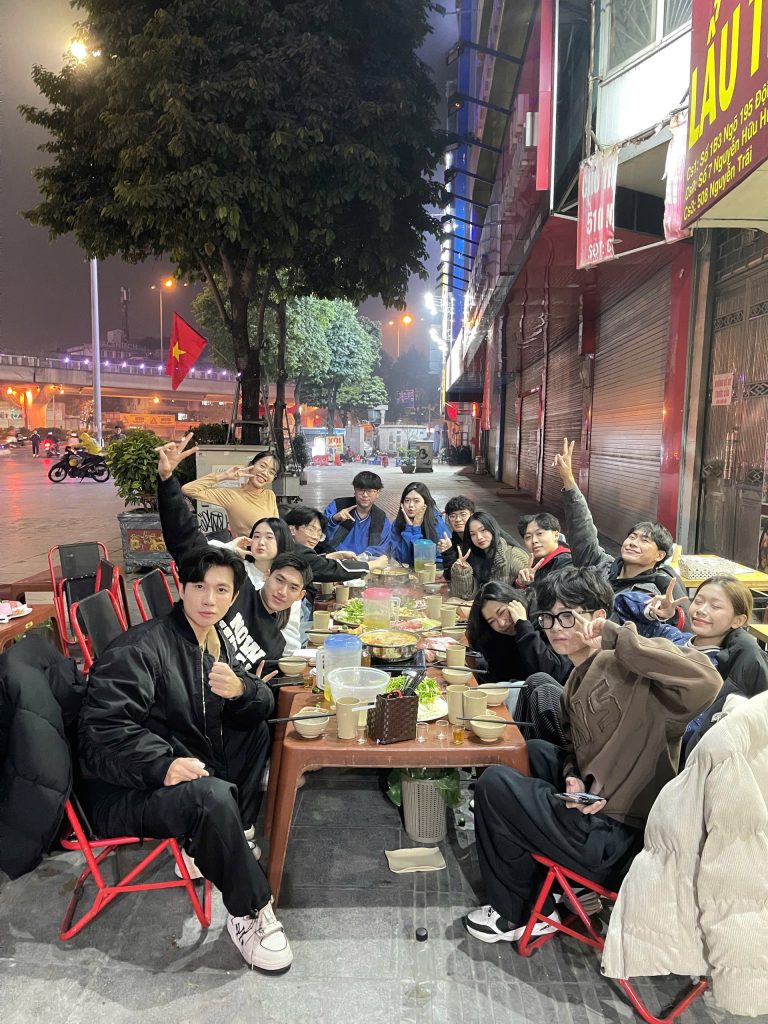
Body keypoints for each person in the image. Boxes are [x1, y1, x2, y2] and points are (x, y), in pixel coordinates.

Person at [463, 565, 721, 945]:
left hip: (624, 840)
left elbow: (707, 680)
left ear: (598, 616)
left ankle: (516, 912)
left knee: (495, 784)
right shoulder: (575, 681)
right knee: (535, 752)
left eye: (567, 616)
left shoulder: (635, 669)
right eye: (548, 618)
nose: (555, 628)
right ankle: (543, 888)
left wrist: (616, 637)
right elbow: (573, 749)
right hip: (595, 811)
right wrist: (572, 774)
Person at [79, 546, 293, 972]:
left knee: (255, 728)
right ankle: (249, 912)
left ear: (234, 598)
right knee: (210, 797)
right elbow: (100, 732)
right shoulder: (140, 649)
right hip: (122, 789)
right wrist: (161, 765)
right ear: (181, 588)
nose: (208, 599)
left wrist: (243, 691)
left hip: (179, 759)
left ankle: (229, 836)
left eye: (220, 590)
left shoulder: (213, 636)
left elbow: (255, 700)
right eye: (198, 586)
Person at [157, 436, 310, 669]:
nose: (282, 592)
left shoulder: (273, 643)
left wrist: (245, 686)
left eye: (271, 471)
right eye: (262, 466)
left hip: (262, 562)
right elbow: (188, 537)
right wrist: (169, 479)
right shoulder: (237, 584)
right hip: (240, 558)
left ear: (299, 595)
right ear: (267, 576)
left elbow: (259, 683)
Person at [613, 574, 768, 758]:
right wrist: (655, 610)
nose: (701, 610)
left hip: (651, 753)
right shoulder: (674, 637)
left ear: (738, 621)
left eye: (715, 606)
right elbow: (621, 605)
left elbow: (689, 730)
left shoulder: (713, 670)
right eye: (698, 601)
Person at [553, 438, 686, 606]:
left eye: (644, 540)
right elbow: (582, 529)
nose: (633, 543)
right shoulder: (601, 566)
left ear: (659, 555)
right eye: (632, 537)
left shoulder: (649, 595)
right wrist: (569, 480)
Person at [466, 580, 572, 685]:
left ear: (514, 601)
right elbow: (501, 675)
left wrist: (523, 626)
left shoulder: (545, 617)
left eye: (502, 612)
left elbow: (551, 675)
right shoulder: (497, 635)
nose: (501, 623)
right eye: (491, 621)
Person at [182, 449, 280, 539]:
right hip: (243, 552)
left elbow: (276, 530)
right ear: (251, 465)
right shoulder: (231, 495)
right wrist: (224, 476)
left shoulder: (269, 495)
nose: (265, 473)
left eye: (271, 472)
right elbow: (188, 489)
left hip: (270, 551)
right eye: (262, 466)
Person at [282, 506, 385, 582]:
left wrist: (338, 555)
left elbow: (313, 562)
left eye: (319, 533)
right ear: (292, 529)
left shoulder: (289, 547)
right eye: (311, 530)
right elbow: (332, 569)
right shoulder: (296, 552)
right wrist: (373, 564)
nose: (315, 537)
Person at [450, 512, 529, 600]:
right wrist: (461, 572)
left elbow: (528, 596)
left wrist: (521, 584)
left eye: (483, 530)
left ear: (492, 528)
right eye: (473, 534)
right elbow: (462, 597)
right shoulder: (473, 555)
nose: (479, 537)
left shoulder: (515, 556)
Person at [323, 471, 392, 559]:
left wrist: (366, 555)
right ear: (354, 491)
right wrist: (334, 519)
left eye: (370, 491)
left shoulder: (381, 518)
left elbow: (385, 546)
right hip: (335, 560)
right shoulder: (337, 506)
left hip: (365, 562)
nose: (365, 495)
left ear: (378, 493)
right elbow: (319, 534)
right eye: (361, 490)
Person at [391, 482, 450, 568]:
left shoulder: (436, 523)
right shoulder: (397, 524)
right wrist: (409, 528)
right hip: (408, 570)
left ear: (425, 504)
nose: (411, 505)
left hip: (435, 569)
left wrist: (416, 528)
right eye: (407, 501)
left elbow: (424, 560)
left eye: (416, 501)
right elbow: (403, 559)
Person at [515, 513, 572, 587]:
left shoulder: (567, 563)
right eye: (528, 537)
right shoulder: (534, 564)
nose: (534, 540)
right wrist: (521, 583)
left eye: (539, 533)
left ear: (556, 535)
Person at [439, 496, 475, 578]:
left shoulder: (478, 540)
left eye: (463, 514)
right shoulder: (453, 542)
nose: (458, 519)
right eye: (452, 516)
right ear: (448, 520)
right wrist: (448, 551)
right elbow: (450, 576)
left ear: (472, 516)